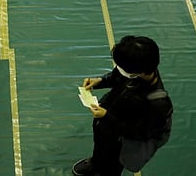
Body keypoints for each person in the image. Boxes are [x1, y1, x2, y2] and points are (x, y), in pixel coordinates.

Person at [72, 36, 173, 176]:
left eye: (124, 68)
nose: (119, 70)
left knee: (111, 164)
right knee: (100, 148)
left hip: (121, 140)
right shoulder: (139, 68)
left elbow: (139, 133)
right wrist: (100, 81)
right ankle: (96, 164)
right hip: (107, 121)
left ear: (138, 71)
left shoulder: (158, 104)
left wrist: (107, 117)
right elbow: (117, 76)